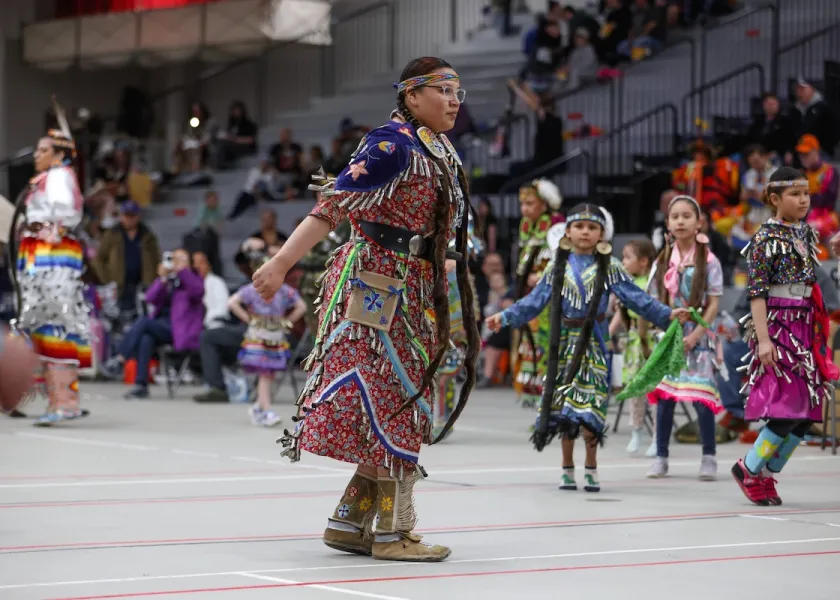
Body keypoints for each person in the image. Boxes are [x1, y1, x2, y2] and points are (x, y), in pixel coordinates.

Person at [251, 57, 479, 562]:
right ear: (411, 95)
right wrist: (281, 263)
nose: (453, 101)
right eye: (443, 90)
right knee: (398, 397)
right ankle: (393, 534)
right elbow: (332, 206)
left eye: (458, 92)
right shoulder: (391, 144)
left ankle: (350, 520)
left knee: (393, 393)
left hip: (416, 284)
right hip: (379, 283)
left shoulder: (437, 148)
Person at [486, 204, 688, 492]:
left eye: (592, 227)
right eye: (579, 226)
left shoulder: (611, 266)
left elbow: (636, 298)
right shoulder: (558, 264)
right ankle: (567, 469)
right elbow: (535, 301)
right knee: (566, 409)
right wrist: (504, 317)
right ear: (567, 231)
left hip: (594, 345)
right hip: (563, 345)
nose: (585, 232)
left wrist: (667, 314)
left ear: (601, 235)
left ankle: (591, 467)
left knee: (591, 409)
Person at [733, 168, 839, 506]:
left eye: (806, 193)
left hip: (805, 325)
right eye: (795, 194)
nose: (804, 200)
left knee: (807, 413)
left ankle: (767, 472)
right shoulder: (765, 238)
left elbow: (813, 276)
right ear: (775, 199)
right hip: (779, 326)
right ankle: (748, 467)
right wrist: (764, 340)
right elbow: (757, 293)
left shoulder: (805, 233)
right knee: (786, 411)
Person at [12, 124, 91, 426]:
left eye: (44, 150)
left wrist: (49, 228)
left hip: (51, 260)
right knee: (48, 328)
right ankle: (62, 401)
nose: (37, 154)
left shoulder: (57, 176)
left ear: (59, 155)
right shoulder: (46, 178)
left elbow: (65, 213)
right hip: (41, 257)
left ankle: (65, 403)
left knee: (55, 326)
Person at [646, 195, 724, 481]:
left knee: (701, 398)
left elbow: (713, 304)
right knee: (665, 399)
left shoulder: (710, 261)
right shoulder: (662, 260)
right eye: (675, 216)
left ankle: (709, 457)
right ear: (668, 224)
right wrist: (664, 331)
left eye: (686, 216)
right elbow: (653, 300)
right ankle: (661, 457)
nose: (680, 221)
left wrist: (697, 335)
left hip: (698, 335)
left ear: (698, 223)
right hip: (669, 334)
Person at [228, 256, 307, 427]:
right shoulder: (268, 290)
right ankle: (266, 408)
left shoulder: (276, 290)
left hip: (268, 333)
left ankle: (259, 407)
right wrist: (286, 321)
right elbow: (232, 303)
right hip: (262, 334)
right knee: (265, 371)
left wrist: (250, 319)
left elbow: (233, 302)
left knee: (268, 372)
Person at [512, 179, 562, 409]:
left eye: (530, 204)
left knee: (546, 340)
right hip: (530, 294)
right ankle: (535, 392)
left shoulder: (556, 225)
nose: (525, 209)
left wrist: (543, 276)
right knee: (530, 342)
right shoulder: (527, 226)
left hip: (550, 296)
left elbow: (561, 258)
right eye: (523, 204)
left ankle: (551, 393)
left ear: (544, 204)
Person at [608, 238, 658, 455]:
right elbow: (620, 314)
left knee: (654, 391)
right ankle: (636, 432)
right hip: (631, 344)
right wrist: (606, 334)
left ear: (644, 261)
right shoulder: (625, 285)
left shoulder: (650, 285)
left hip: (650, 343)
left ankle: (658, 436)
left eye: (628, 257)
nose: (623, 262)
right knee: (634, 391)